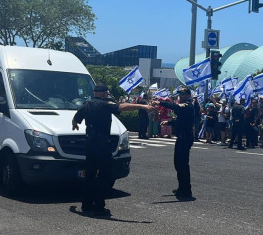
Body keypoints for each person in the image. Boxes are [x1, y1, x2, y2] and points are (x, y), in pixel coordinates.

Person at [72, 83, 154, 217]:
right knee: (104, 176)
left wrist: (75, 124)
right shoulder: (105, 104)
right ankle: (99, 207)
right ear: (105, 93)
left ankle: (86, 205)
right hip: (102, 145)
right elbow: (122, 106)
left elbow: (76, 118)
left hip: (89, 144)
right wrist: (143, 106)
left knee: (90, 175)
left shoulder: (87, 105)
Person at [156, 87, 196, 198]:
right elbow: (181, 121)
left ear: (188, 95)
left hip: (185, 138)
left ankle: (186, 190)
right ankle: (182, 187)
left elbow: (175, 106)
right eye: (180, 94)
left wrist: (160, 102)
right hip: (182, 137)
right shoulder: (183, 107)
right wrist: (169, 123)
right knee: (178, 164)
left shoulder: (187, 105)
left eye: (183, 94)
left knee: (182, 164)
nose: (181, 96)